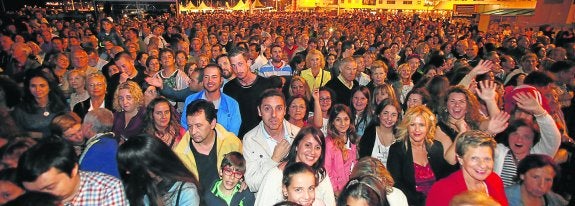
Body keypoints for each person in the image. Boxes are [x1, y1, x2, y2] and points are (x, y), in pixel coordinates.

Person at [17, 138, 128, 205]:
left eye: (50, 187)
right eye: (33, 193)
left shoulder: (107, 189)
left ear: (73, 169)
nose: (40, 198)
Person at [387, 105, 452, 206]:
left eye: (421, 125)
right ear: (407, 126)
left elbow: (444, 179)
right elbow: (396, 183)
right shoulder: (397, 150)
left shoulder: (437, 147)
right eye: (412, 124)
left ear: (428, 127)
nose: (417, 129)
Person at [256, 127, 335, 206]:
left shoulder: (320, 173)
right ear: (297, 145)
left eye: (317, 147)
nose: (312, 152)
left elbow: (330, 203)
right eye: (307, 145)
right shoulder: (276, 175)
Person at [174, 99, 242, 190]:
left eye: (198, 126)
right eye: (190, 126)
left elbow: (242, 173)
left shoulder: (232, 143)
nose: (193, 132)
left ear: (212, 123)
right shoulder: (180, 153)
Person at [426, 130, 508, 206]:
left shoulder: (495, 181)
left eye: (487, 159)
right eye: (474, 158)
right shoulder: (442, 189)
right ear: (460, 159)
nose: (482, 165)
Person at [243, 89, 301, 192]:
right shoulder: (250, 139)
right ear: (259, 111)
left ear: (284, 111)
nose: (273, 114)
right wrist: (274, 160)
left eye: (278, 108)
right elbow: (252, 184)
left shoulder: (298, 135)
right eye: (267, 109)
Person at [118, 134, 201, 206]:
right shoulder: (134, 184)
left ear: (150, 165)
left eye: (131, 166)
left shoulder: (185, 191)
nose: (127, 171)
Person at [494, 118, 561, 187]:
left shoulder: (538, 157)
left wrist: (540, 113)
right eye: (515, 134)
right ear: (508, 136)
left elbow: (553, 138)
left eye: (526, 136)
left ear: (533, 141)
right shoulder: (498, 151)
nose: (519, 139)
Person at [223, 47, 272, 138]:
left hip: (263, 137)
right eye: (233, 65)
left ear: (248, 62)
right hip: (238, 138)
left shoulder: (265, 85)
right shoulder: (228, 88)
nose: (237, 69)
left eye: (240, 64)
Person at [181, 64, 242, 136]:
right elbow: (185, 127)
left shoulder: (232, 104)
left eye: (214, 77)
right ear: (203, 80)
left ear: (221, 80)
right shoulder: (191, 100)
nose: (210, 81)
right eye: (206, 77)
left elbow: (233, 134)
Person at [12, 70, 68, 138]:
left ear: (49, 87)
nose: (37, 89)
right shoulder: (21, 109)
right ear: (28, 88)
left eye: (42, 85)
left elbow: (69, 126)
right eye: (33, 86)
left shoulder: (61, 103)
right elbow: (16, 133)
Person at [325, 104, 359, 195]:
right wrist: (335, 191)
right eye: (338, 119)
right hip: (336, 191)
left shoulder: (353, 140)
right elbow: (327, 171)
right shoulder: (329, 143)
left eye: (346, 119)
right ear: (332, 122)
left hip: (351, 188)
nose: (343, 123)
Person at [359, 98, 402, 166]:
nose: (389, 118)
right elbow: (363, 160)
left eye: (393, 115)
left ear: (397, 118)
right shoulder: (370, 133)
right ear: (378, 114)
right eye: (385, 113)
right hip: (371, 175)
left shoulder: (401, 137)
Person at [79, 108, 120, 178]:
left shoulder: (95, 148)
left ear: (89, 126)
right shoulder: (112, 142)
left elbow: (82, 177)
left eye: (83, 123)